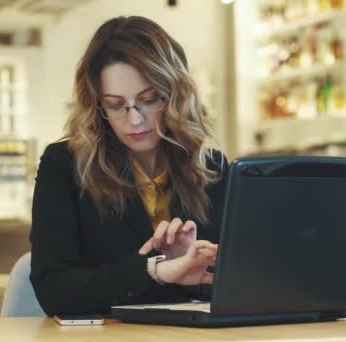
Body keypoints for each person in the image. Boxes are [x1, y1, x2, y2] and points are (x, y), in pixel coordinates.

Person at [29, 16, 228, 316]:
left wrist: (191, 277)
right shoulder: (65, 165)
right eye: (115, 105)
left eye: (149, 100)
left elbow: (240, 283)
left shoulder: (212, 168)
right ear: (97, 104)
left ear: (175, 94)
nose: (134, 119)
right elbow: (54, 290)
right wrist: (157, 269)